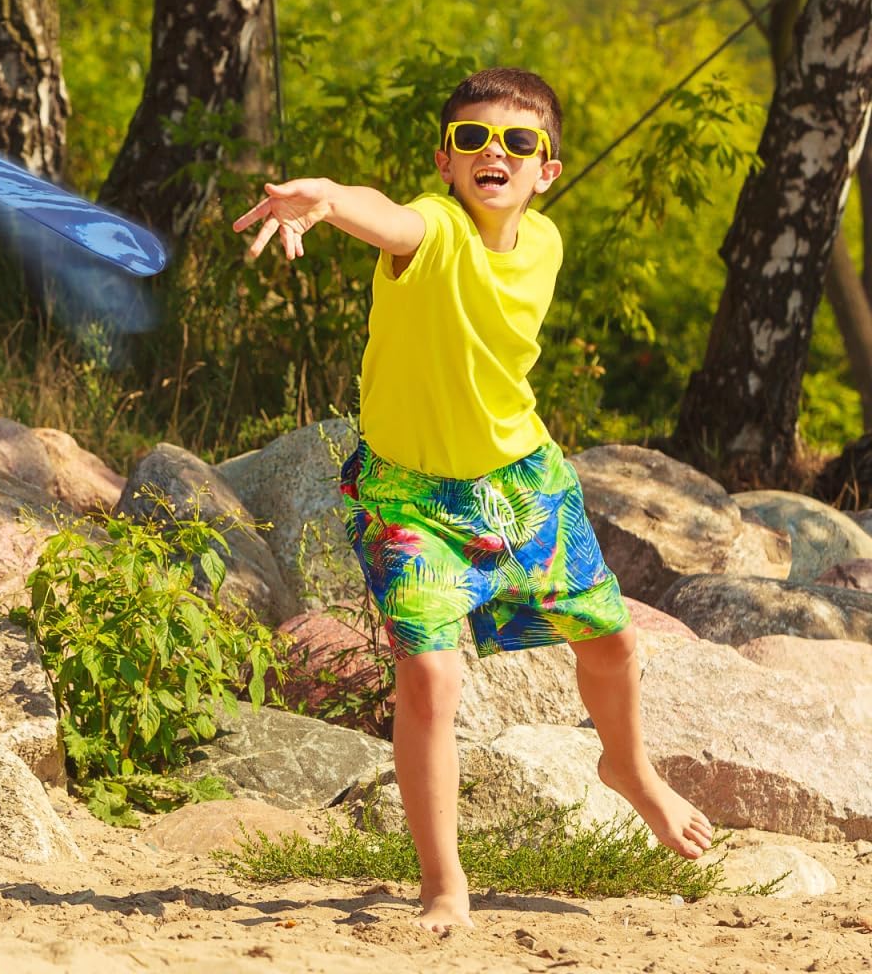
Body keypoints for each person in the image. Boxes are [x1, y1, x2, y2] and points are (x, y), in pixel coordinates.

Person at [232, 67, 712, 933]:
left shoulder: (547, 243)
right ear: (446, 162)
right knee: (428, 674)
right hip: (410, 499)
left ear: (546, 171)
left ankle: (629, 769)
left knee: (610, 639)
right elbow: (389, 215)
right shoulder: (436, 230)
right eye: (472, 139)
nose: (496, 152)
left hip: (521, 483)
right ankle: (444, 885)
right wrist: (329, 199)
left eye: (519, 142)